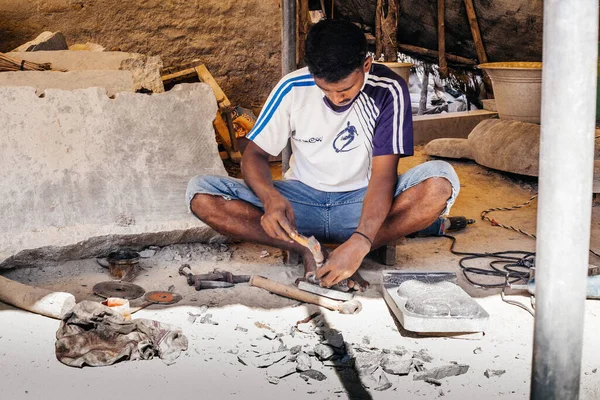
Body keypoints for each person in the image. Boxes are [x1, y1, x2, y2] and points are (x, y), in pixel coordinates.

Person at [186, 19, 460, 290]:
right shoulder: (292, 87)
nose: (334, 98)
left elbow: (383, 176)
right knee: (201, 194)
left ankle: (351, 250)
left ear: (365, 65)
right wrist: (271, 200)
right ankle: (308, 249)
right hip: (299, 205)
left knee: (439, 181)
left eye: (344, 90)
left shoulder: (388, 89)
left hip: (362, 203)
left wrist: (361, 240)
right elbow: (254, 155)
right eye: (324, 89)